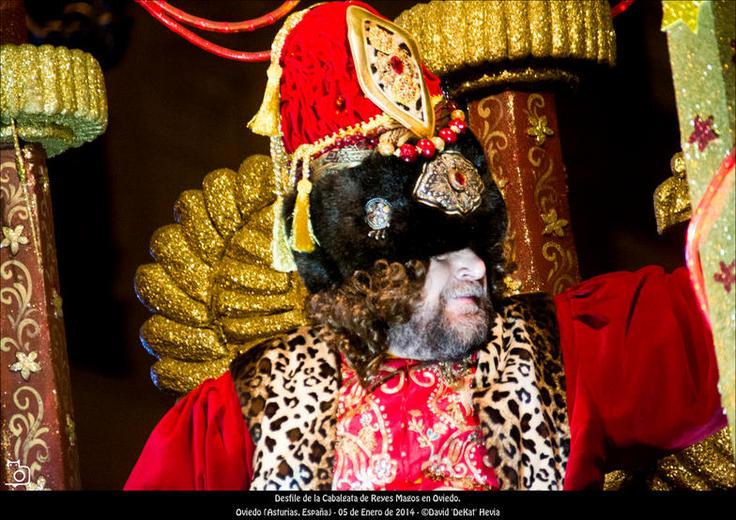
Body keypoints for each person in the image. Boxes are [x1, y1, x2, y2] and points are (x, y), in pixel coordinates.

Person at [124, 1, 727, 491]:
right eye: (436, 253)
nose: (472, 267)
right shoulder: (234, 421)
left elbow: (717, 319)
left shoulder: (569, 351)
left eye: (474, 245)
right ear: (370, 278)